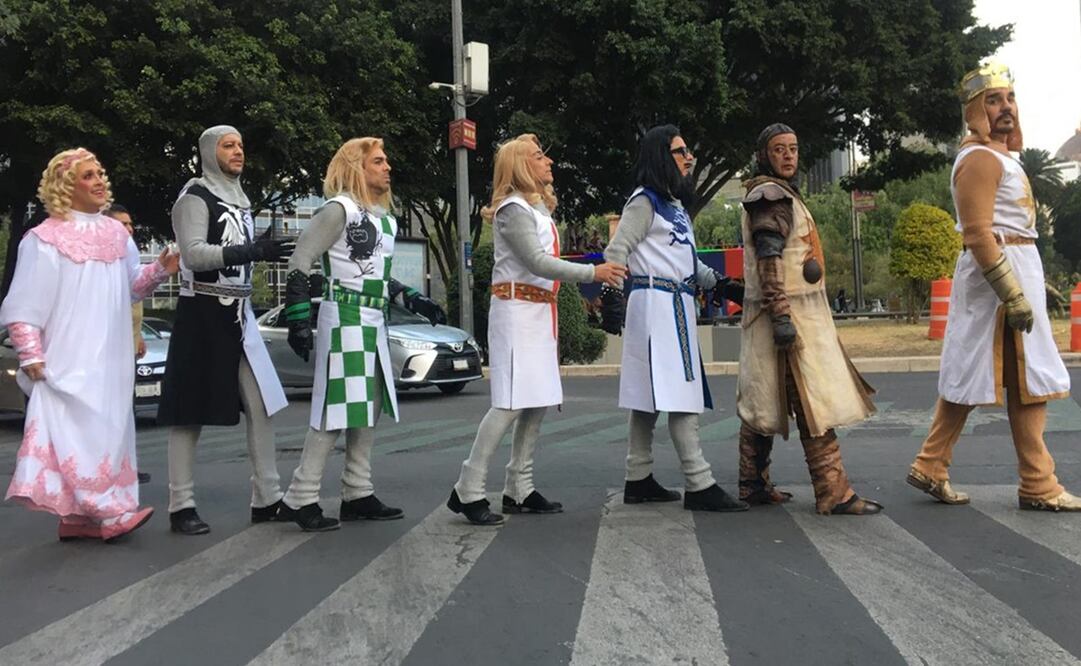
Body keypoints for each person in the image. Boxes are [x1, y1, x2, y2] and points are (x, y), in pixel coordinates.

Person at [906, 62, 1080, 511]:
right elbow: (979, 233)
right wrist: (1013, 293)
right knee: (1027, 378)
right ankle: (1038, 483)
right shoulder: (980, 159)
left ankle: (931, 464)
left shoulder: (999, 157)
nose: (1006, 108)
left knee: (992, 373)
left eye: (1010, 98)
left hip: (1012, 270)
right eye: (994, 100)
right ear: (975, 112)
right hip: (998, 282)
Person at [447, 134, 627, 525]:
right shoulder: (513, 209)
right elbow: (536, 262)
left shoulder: (535, 208)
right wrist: (592, 272)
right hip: (516, 311)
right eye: (539, 156)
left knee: (536, 401)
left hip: (538, 312)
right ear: (521, 165)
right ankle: (468, 487)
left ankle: (519, 486)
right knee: (510, 402)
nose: (549, 162)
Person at [1, 148, 178, 541]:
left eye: (100, 173)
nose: (99, 181)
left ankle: (78, 518)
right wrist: (30, 352)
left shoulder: (116, 234)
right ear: (66, 186)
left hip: (112, 355)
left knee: (111, 430)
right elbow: (24, 303)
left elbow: (130, 288)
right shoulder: (44, 239)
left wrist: (158, 271)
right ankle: (109, 512)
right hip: (69, 354)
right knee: (78, 430)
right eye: (88, 175)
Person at [281, 137, 446, 531]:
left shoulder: (383, 219)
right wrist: (299, 318)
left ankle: (357, 490)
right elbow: (300, 261)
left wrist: (415, 300)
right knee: (335, 407)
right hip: (344, 315)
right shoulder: (339, 210)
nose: (388, 167)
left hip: (373, 319)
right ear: (357, 167)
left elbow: (377, 277)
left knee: (368, 406)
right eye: (378, 161)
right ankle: (301, 495)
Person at [735, 124, 882, 515]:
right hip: (791, 315)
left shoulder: (779, 194)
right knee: (810, 400)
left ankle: (752, 483)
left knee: (768, 397)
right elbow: (769, 261)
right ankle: (833, 491)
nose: (788, 155)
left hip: (789, 313)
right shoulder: (770, 196)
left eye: (794, 148)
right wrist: (782, 316)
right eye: (779, 149)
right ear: (764, 155)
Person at [602, 125, 746, 513]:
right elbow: (616, 250)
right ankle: (699, 482)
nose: (689, 158)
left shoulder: (674, 205)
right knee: (681, 394)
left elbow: (687, 261)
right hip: (656, 304)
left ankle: (638, 477)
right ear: (661, 156)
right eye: (681, 151)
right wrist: (611, 295)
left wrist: (724, 286)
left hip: (673, 303)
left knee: (647, 398)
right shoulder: (644, 202)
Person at [158, 125, 295, 535]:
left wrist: (254, 251)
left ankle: (267, 497)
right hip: (202, 311)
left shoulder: (241, 198)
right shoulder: (194, 196)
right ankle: (181, 504)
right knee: (189, 411)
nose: (238, 151)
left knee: (262, 403)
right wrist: (251, 250)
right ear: (208, 151)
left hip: (240, 313)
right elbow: (194, 255)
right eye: (228, 145)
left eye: (240, 145)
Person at [107, 203, 152, 484]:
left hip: (129, 347)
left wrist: (139, 335)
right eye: (122, 224)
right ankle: (110, 468)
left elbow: (134, 302)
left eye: (130, 224)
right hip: (109, 350)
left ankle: (126, 466)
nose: (129, 229)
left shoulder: (128, 258)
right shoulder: (106, 262)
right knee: (114, 411)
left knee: (127, 410)